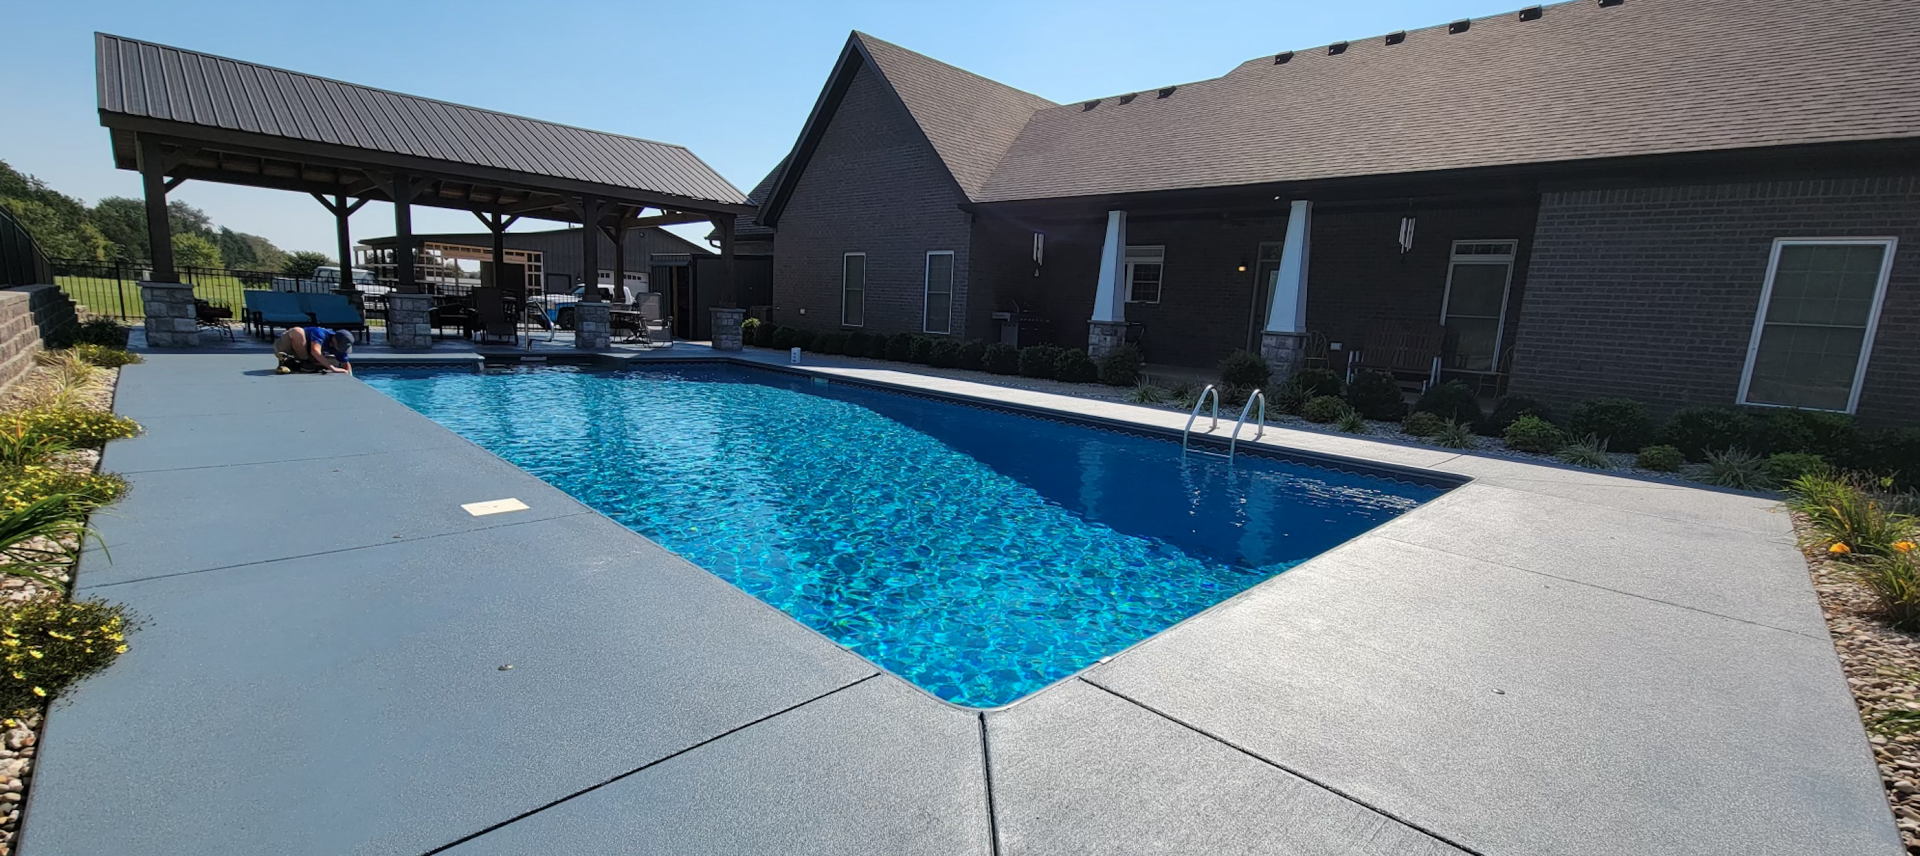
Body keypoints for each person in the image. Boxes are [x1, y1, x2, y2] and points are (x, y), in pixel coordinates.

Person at [274, 326, 354, 374]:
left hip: (306, 353)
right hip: (286, 344)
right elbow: (315, 351)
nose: (341, 349)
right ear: (334, 339)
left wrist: (348, 374)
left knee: (335, 362)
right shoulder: (320, 333)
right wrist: (333, 368)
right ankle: (299, 362)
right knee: (298, 332)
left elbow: (345, 364)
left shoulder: (340, 348)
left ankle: (294, 363)